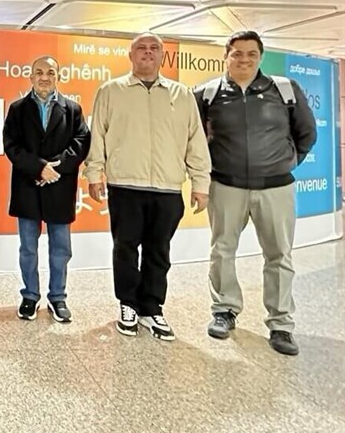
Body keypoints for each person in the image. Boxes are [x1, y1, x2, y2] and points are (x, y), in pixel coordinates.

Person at [196, 30, 317, 356]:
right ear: (227, 56)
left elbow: (306, 134)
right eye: (237, 53)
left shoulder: (284, 89)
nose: (244, 59)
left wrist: (285, 162)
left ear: (260, 57)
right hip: (226, 185)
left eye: (251, 53)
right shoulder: (208, 93)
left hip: (276, 188)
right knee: (222, 251)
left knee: (279, 255)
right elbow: (193, 139)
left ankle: (280, 324)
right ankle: (224, 310)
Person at [85, 33, 211, 341]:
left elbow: (196, 140)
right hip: (125, 185)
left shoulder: (182, 95)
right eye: (141, 48)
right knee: (125, 248)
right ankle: (127, 303)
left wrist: (201, 182)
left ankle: (152, 307)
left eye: (154, 48)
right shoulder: (111, 91)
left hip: (168, 187)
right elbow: (97, 135)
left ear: (162, 56)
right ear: (130, 55)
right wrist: (94, 174)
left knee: (159, 251)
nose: (148, 53)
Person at [3, 56, 91, 323]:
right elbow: (11, 146)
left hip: (59, 187)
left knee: (61, 248)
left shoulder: (73, 109)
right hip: (27, 187)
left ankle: (58, 297)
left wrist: (57, 167)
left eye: (50, 72)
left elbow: (81, 143)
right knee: (28, 248)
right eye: (39, 72)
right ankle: (30, 296)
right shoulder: (17, 109)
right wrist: (40, 167)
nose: (44, 77)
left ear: (58, 76)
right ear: (30, 76)